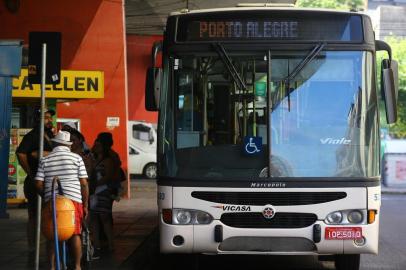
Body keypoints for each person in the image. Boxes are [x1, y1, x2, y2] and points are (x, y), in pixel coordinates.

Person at [34, 131, 89, 270]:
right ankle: (77, 267)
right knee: (75, 233)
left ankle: (51, 267)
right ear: (68, 145)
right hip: (73, 201)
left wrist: (47, 197)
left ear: (54, 144)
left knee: (52, 234)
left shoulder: (45, 159)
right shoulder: (77, 159)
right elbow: (84, 183)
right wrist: (85, 205)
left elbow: (38, 184)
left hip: (52, 201)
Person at [15, 108, 55, 264]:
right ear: (38, 119)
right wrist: (30, 173)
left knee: (47, 214)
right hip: (35, 182)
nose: (49, 120)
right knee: (34, 215)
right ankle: (33, 247)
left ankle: (45, 243)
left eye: (50, 117)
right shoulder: (33, 136)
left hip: (47, 180)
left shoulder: (50, 135)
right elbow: (21, 153)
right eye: (46, 118)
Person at [89, 132, 119, 258]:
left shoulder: (108, 159)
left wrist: (95, 184)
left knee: (104, 219)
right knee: (95, 219)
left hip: (103, 192)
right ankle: (97, 244)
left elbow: (109, 176)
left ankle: (110, 244)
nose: (95, 145)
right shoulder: (95, 158)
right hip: (96, 192)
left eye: (98, 143)